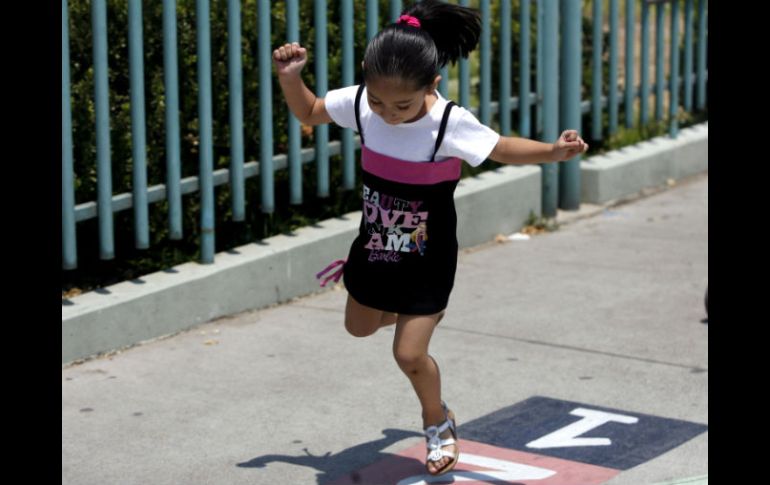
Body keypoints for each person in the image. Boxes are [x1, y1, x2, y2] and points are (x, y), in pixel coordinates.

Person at [273, 0, 587, 476]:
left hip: (426, 259)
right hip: (375, 249)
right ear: (366, 81)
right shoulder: (361, 102)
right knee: (357, 327)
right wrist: (291, 77)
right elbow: (313, 110)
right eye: (379, 102)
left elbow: (500, 148)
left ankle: (436, 420)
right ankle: (413, 318)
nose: (388, 114)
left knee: (408, 353)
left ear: (431, 85)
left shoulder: (447, 122)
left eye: (402, 104)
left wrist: (552, 152)